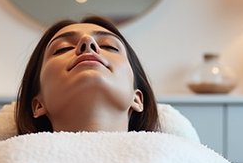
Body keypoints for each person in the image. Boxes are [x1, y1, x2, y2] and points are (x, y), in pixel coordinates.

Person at [15, 15, 159, 134]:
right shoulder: (10, 157)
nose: (87, 41)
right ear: (38, 105)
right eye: (63, 48)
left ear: (137, 99)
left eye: (109, 46)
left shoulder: (169, 155)